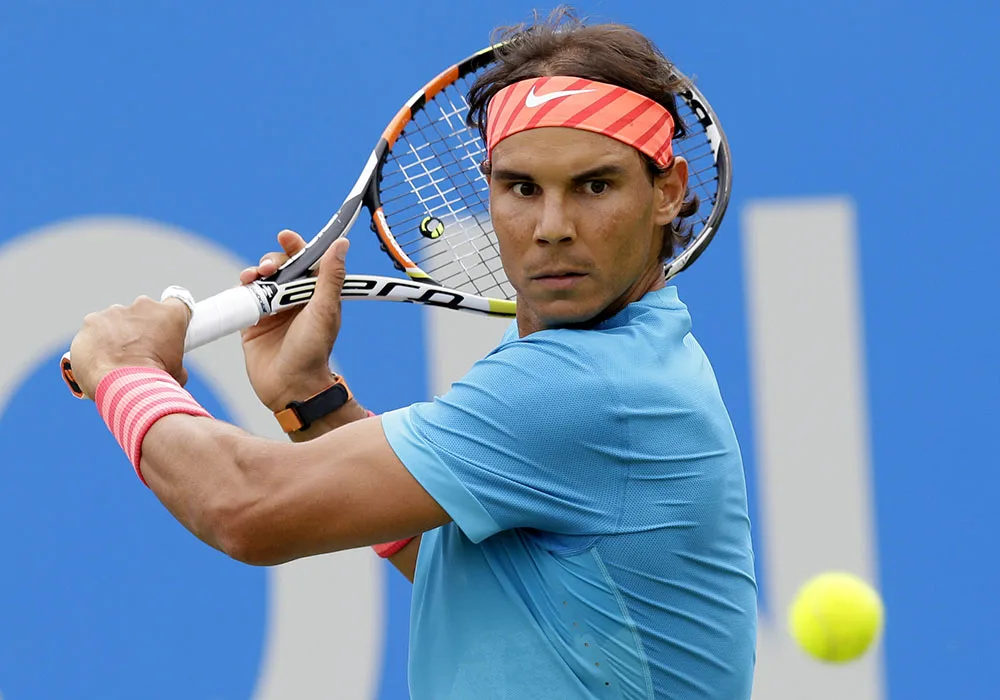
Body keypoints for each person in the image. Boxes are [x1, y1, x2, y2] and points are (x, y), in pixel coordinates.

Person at [68, 9, 757, 699]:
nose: (552, 228)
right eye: (522, 188)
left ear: (666, 190)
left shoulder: (587, 387)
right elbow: (499, 593)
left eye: (594, 186)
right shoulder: (633, 363)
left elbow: (244, 507)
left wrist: (124, 369)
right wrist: (310, 401)